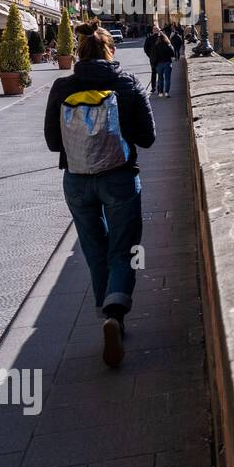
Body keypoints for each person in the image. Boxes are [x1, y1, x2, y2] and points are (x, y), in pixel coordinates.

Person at [44, 24, 155, 368]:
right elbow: (148, 138)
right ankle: (115, 314)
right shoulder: (127, 84)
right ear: (111, 51)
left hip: (76, 181)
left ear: (79, 52)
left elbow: (51, 142)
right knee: (123, 250)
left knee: (95, 250)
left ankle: (106, 314)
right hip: (119, 178)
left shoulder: (62, 86)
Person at [150, 31, 175, 97]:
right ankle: (166, 92)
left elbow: (154, 56)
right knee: (167, 79)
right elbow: (173, 54)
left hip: (159, 64)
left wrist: (153, 64)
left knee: (160, 79)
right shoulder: (168, 45)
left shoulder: (156, 46)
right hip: (167, 63)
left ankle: (160, 93)